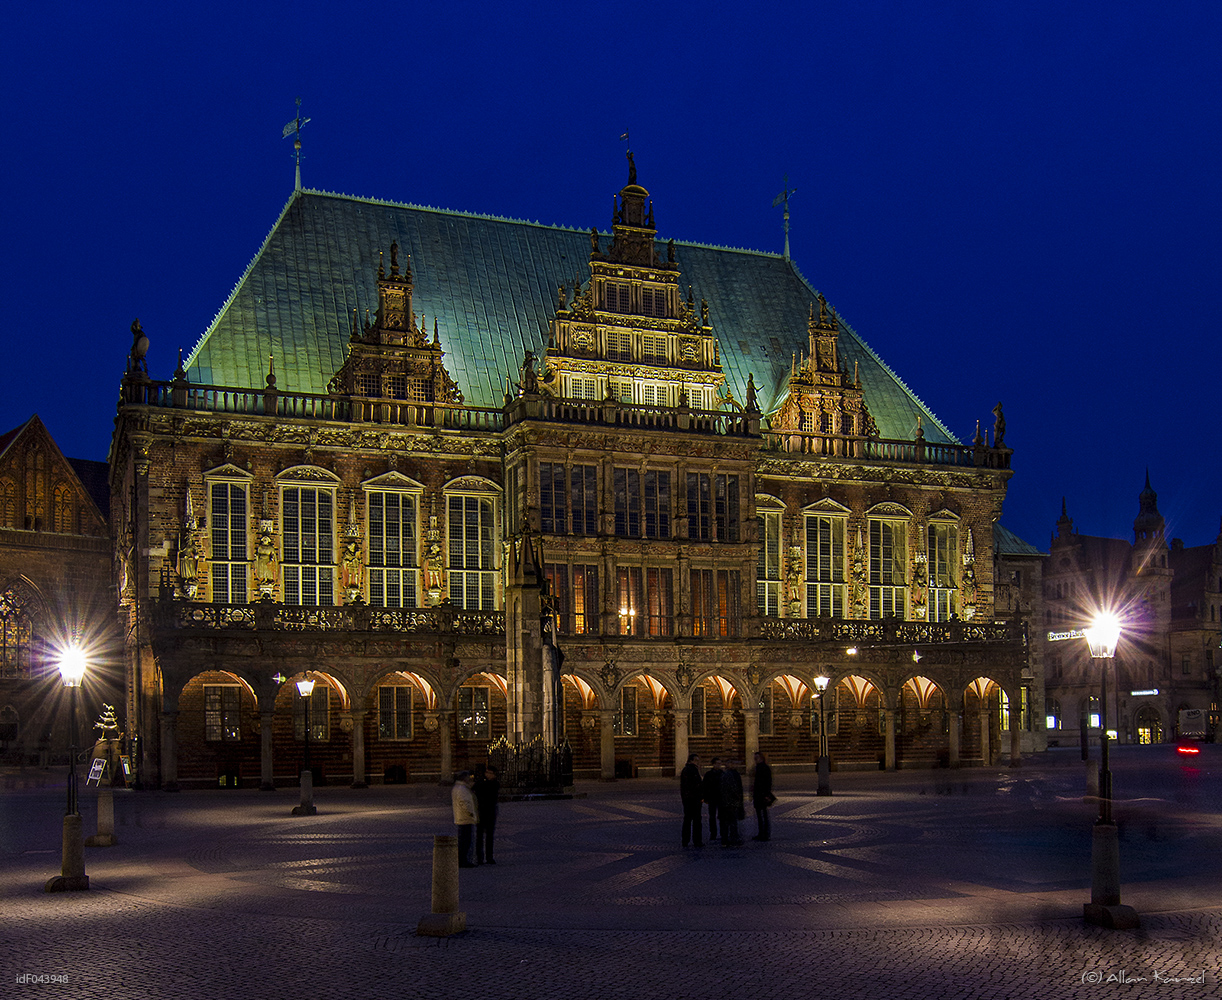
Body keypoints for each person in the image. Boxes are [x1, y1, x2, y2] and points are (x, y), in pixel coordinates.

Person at [474, 763, 501, 865]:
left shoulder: (494, 784)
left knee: (489, 836)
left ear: (494, 774)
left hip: (490, 812)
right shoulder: (481, 782)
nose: (487, 774)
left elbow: (489, 793)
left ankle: (489, 857)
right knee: (479, 836)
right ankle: (479, 857)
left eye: (489, 773)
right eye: (486, 772)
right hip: (481, 811)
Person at [451, 771, 478, 868]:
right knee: (465, 841)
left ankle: (462, 859)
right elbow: (465, 803)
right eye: (468, 776)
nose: (470, 778)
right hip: (465, 818)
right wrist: (470, 814)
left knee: (463, 840)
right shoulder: (462, 789)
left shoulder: (458, 787)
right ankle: (463, 860)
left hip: (461, 817)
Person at [679, 753, 703, 848]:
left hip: (687, 799)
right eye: (696, 760)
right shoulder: (693, 770)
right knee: (696, 821)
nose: (698, 762)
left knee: (687, 820)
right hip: (694, 799)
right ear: (691, 761)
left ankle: (685, 840)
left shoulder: (686, 770)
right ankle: (697, 841)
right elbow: (697, 785)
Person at [719, 759, 744, 847]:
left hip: (726, 802)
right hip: (730, 802)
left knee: (727, 822)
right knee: (732, 821)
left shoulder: (725, 774)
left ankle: (725, 839)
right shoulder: (730, 775)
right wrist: (737, 797)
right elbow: (734, 788)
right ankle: (733, 839)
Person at [751, 751, 774, 842]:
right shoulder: (758, 768)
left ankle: (765, 834)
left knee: (763, 815)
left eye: (756, 758)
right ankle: (762, 833)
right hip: (758, 795)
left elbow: (767, 782)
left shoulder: (764, 768)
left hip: (762, 795)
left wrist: (766, 794)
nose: (755, 760)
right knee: (760, 816)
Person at [701, 756, 723, 844]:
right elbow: (705, 787)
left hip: (720, 798)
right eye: (718, 763)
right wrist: (705, 797)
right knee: (712, 817)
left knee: (721, 816)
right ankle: (713, 833)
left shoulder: (722, 773)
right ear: (713, 764)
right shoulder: (709, 774)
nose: (719, 765)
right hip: (712, 798)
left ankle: (722, 832)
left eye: (720, 763)